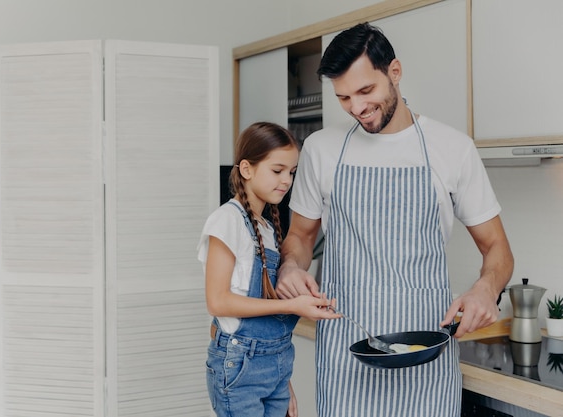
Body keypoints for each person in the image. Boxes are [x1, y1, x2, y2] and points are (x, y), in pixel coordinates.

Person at [275, 23, 514, 417]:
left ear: (395, 72)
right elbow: (300, 237)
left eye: (366, 91)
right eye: (344, 97)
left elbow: (497, 248)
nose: (356, 108)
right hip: (346, 358)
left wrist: (486, 289)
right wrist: (289, 268)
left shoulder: (453, 149)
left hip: (427, 359)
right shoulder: (320, 149)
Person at [198, 121, 339, 417]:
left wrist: (282, 380)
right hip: (240, 367)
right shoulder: (227, 220)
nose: (286, 180)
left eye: (291, 172)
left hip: (275, 365)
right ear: (247, 169)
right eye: (277, 171)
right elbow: (218, 301)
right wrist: (294, 305)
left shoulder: (266, 228)